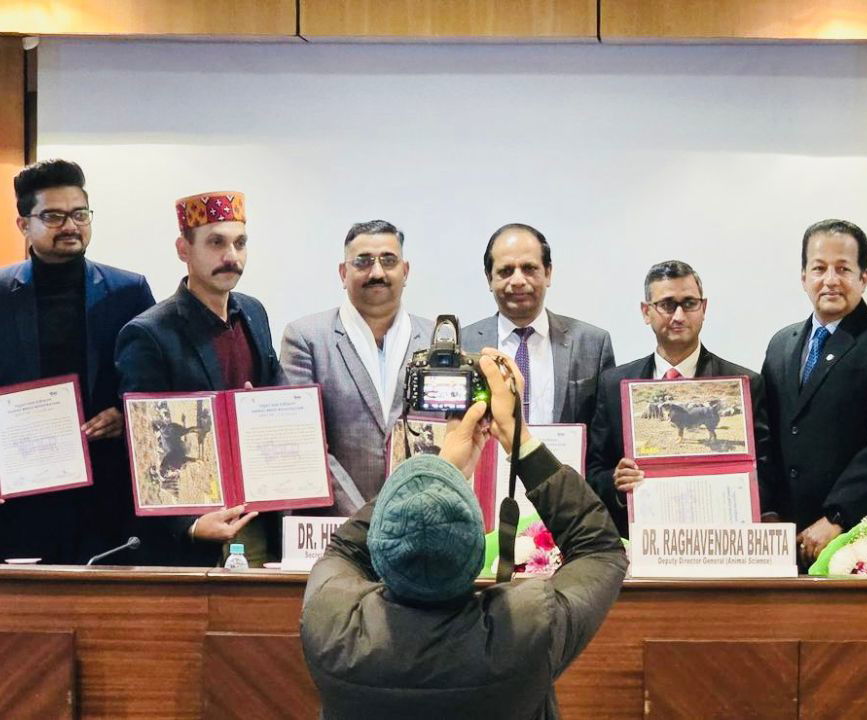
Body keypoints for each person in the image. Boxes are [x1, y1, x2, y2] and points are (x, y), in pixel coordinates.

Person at [301, 349, 627, 719]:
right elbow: (600, 549)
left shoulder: (330, 623)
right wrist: (519, 440)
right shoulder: (526, 627)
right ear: (475, 552)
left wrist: (442, 467)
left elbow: (344, 549)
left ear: (381, 548)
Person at [115, 191, 284, 566]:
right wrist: (189, 524)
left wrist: (266, 411)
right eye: (216, 242)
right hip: (194, 535)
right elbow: (142, 448)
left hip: (257, 515)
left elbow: (277, 392)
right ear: (183, 248)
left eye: (240, 243)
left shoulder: (254, 313)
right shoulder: (149, 333)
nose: (231, 257)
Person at [0, 159, 155, 563]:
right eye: (53, 216)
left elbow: (154, 383)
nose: (70, 226)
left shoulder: (129, 290)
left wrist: (126, 415)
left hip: (107, 488)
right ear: (24, 224)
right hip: (21, 493)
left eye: (79, 214)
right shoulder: (1, 292)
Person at [760, 219, 867, 565]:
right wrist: (768, 510)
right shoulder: (780, 345)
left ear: (864, 278)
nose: (830, 280)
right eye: (819, 268)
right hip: (788, 537)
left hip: (858, 535)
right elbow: (765, 436)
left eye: (843, 269)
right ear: (803, 277)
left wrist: (836, 516)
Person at [586, 260, 773, 536]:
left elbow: (768, 472)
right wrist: (616, 481)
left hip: (719, 540)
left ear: (704, 308)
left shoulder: (743, 384)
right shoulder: (614, 384)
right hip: (639, 546)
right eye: (666, 304)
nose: (678, 316)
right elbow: (594, 470)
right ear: (646, 311)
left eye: (689, 303)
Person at [280, 220, 432, 516]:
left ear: (406, 271)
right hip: (335, 531)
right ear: (343, 273)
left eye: (388, 260)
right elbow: (305, 443)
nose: (377, 272)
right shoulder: (306, 338)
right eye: (362, 262)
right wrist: (363, 521)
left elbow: (448, 435)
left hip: (419, 524)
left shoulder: (435, 340)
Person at [462, 223, 614, 425]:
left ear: (548, 273)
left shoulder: (592, 343)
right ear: (489, 278)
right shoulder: (463, 345)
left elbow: (604, 431)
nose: (517, 280)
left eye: (529, 268)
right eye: (506, 271)